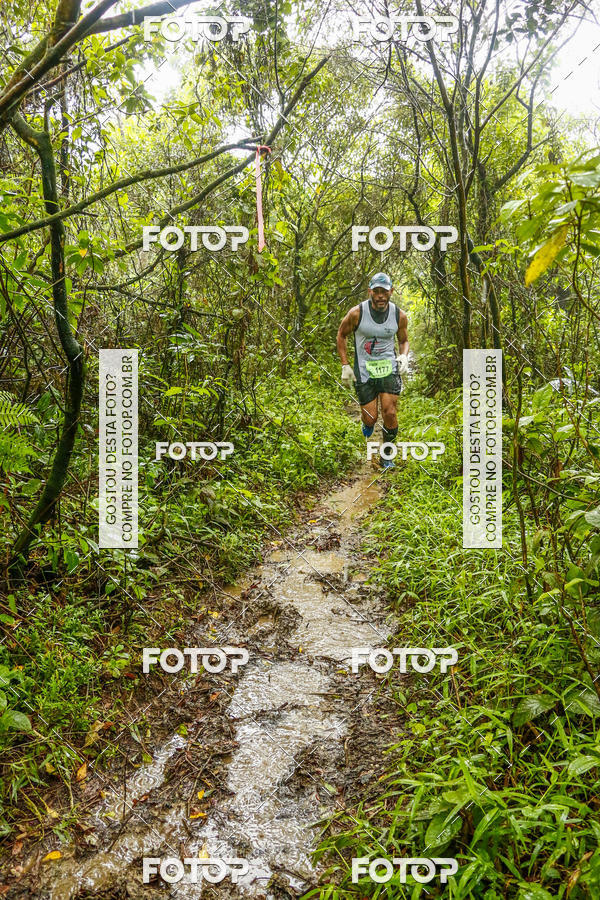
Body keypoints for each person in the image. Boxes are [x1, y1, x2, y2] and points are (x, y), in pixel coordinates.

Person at [336, 272, 409, 469]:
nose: (380, 296)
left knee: (390, 412)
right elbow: (341, 335)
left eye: (384, 292)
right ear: (370, 292)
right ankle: (367, 423)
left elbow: (403, 340)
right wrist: (345, 365)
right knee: (371, 417)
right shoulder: (356, 313)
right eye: (376, 291)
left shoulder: (398, 315)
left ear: (391, 292)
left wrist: (403, 356)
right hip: (364, 370)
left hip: (388, 370)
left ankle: (387, 455)